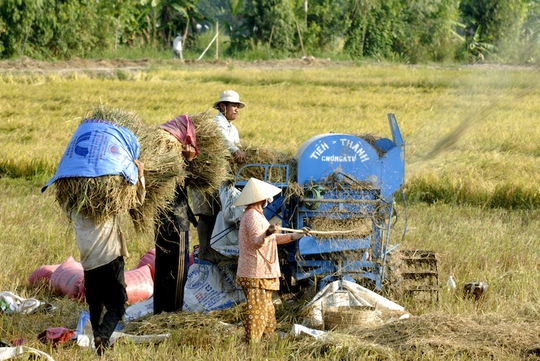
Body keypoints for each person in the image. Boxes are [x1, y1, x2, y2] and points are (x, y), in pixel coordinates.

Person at [71, 160, 145, 356]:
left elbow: (65, 198)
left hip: (88, 263)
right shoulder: (109, 204)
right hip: (111, 260)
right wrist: (140, 175)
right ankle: (102, 337)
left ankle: (98, 337)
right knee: (117, 305)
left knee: (95, 303)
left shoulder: (74, 209)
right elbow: (137, 200)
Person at [234, 178, 307, 343]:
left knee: (267, 310)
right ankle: (252, 346)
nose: (269, 200)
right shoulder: (252, 216)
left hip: (262, 272)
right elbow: (256, 241)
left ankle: (267, 340)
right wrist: (267, 233)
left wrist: (296, 235)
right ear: (260, 198)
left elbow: (273, 239)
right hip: (255, 272)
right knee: (258, 311)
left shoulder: (258, 216)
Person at [153, 115, 199, 315]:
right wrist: (188, 162)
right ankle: (173, 311)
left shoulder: (158, 159)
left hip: (160, 220)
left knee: (162, 266)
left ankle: (159, 309)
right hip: (176, 221)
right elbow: (181, 185)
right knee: (178, 269)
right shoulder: (175, 162)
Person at [193, 90, 247, 262]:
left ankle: (216, 248)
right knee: (206, 213)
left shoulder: (233, 128)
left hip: (222, 177)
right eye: (234, 106)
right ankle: (204, 250)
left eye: (238, 106)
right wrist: (235, 151)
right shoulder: (216, 123)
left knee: (219, 212)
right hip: (207, 174)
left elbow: (236, 144)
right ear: (223, 106)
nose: (237, 109)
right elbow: (224, 141)